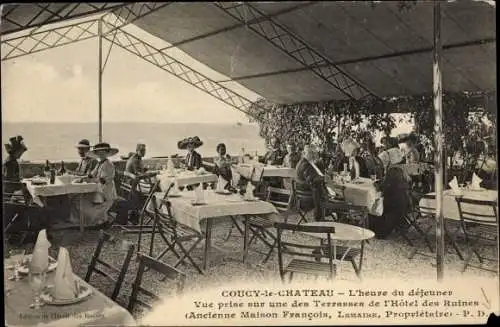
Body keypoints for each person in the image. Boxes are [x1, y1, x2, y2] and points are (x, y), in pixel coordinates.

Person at [70, 142, 119, 227]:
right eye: (98, 152)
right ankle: (98, 221)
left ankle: (101, 221)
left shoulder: (108, 164)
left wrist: (88, 180)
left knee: (85, 201)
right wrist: (82, 178)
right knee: (77, 198)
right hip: (100, 189)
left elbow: (102, 180)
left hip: (106, 192)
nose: (100, 153)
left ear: (107, 152)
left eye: (103, 152)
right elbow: (92, 174)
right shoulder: (100, 163)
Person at [295, 145, 330, 221]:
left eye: (314, 153)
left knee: (326, 190)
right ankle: (321, 218)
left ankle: (323, 216)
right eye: (310, 153)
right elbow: (313, 180)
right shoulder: (305, 164)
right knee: (336, 195)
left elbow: (315, 175)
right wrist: (325, 178)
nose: (313, 155)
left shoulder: (304, 162)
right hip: (307, 199)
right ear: (304, 153)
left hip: (302, 196)